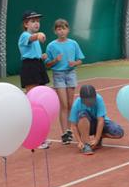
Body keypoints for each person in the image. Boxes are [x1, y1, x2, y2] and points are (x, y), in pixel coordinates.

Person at [46, 18, 85, 146]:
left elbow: (80, 60)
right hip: (58, 75)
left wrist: (74, 63)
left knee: (69, 104)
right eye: (59, 29)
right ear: (55, 31)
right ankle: (64, 133)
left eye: (63, 28)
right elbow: (47, 64)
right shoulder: (51, 46)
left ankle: (69, 130)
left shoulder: (73, 43)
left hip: (71, 74)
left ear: (68, 30)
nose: (61, 31)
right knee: (63, 104)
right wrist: (55, 60)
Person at [18, 10, 50, 148]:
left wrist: (41, 56)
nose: (36, 23)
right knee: (33, 103)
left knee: (40, 102)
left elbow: (33, 50)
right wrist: (39, 35)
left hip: (38, 66)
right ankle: (34, 138)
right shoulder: (25, 35)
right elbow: (32, 38)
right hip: (29, 68)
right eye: (33, 21)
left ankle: (41, 137)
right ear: (26, 24)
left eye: (37, 21)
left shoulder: (35, 39)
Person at [69, 84, 124, 155]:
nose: (89, 103)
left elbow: (101, 120)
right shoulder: (76, 104)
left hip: (97, 123)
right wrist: (79, 142)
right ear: (82, 99)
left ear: (95, 97)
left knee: (119, 132)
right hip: (83, 126)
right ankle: (86, 144)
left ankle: (100, 135)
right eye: (86, 102)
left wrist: (97, 139)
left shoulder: (99, 99)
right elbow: (73, 125)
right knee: (82, 115)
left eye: (91, 101)